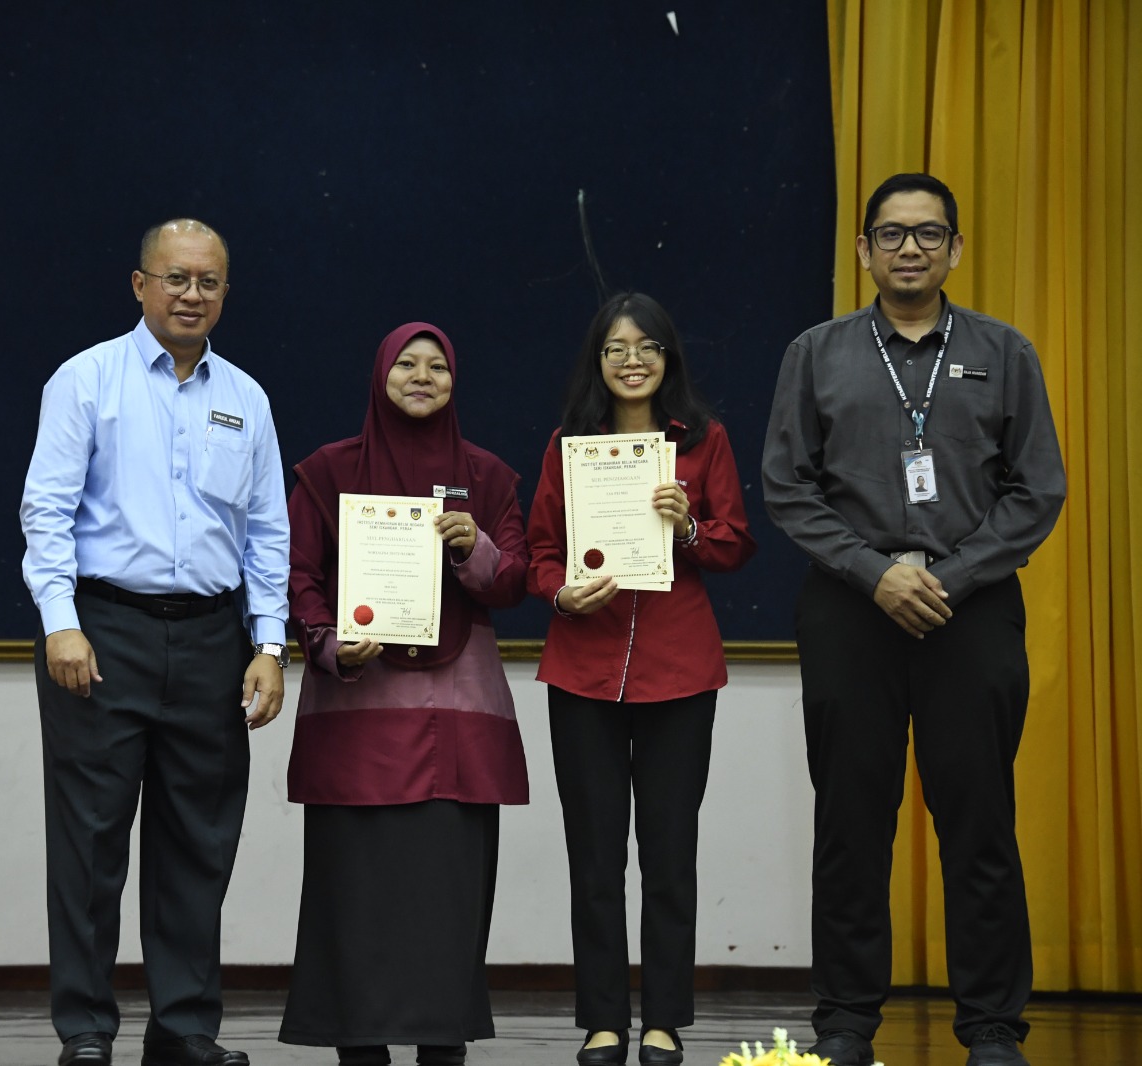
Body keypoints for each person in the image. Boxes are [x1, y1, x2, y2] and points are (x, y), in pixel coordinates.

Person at [761, 173, 1065, 1066]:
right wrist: (876, 573)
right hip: (852, 608)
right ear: (862, 250)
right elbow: (788, 486)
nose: (909, 250)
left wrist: (951, 576)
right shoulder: (814, 352)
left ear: (956, 250)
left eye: (928, 235)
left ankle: (993, 1027)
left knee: (979, 820)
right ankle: (847, 1020)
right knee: (852, 820)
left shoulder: (1004, 352)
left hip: (969, 612)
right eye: (890, 235)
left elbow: (1036, 488)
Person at [20, 218, 289, 1066]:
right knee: (91, 842)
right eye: (175, 279)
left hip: (213, 638)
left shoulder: (246, 398)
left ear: (225, 294)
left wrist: (270, 644)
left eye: (208, 282)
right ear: (139, 285)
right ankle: (87, 1031)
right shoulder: (86, 380)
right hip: (101, 632)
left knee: (198, 843)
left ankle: (182, 1029)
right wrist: (59, 619)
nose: (191, 295)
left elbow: (269, 535)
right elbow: (46, 512)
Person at [278, 323, 531, 1066]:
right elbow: (298, 578)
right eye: (407, 365)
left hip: (456, 725)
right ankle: (359, 1051)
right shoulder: (328, 473)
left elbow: (515, 579)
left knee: (444, 905)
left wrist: (472, 547)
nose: (422, 377)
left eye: (438, 367)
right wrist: (328, 641)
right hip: (356, 720)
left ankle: (442, 1048)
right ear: (381, 373)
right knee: (354, 904)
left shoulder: (487, 478)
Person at [527, 293, 755, 1066]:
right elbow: (539, 551)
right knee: (593, 857)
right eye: (616, 348)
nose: (632, 360)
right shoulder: (569, 445)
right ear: (597, 362)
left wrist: (687, 525)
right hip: (583, 671)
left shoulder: (704, 441)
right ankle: (601, 1021)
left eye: (647, 346)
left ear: (668, 359)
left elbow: (734, 543)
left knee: (668, 854)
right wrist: (558, 591)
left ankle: (663, 1020)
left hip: (679, 671)